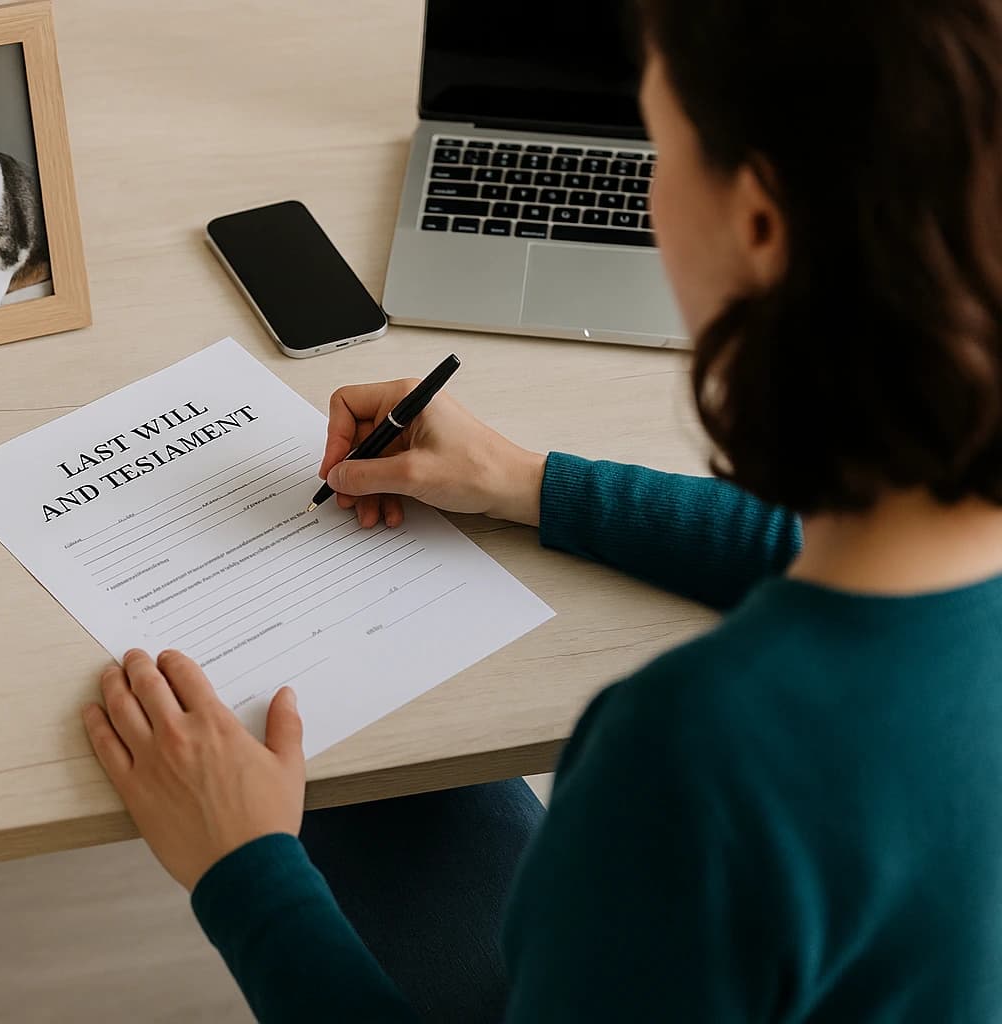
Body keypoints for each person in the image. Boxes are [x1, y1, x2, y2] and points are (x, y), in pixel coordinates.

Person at [80, 0, 1002, 1020]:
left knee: (314, 787)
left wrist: (242, 869)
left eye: (658, 145)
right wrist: (528, 480)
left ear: (759, 222)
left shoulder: (697, 763)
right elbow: (799, 551)